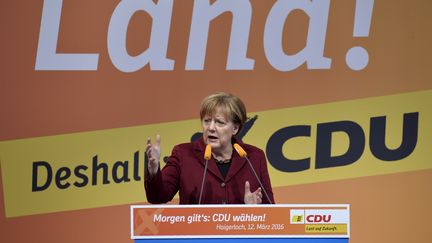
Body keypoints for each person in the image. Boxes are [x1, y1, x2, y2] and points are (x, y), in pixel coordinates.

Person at [145, 92, 274, 204]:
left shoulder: (254, 157)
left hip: (241, 231)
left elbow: (272, 211)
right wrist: (154, 171)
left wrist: (255, 210)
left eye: (219, 122)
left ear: (235, 128)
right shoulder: (183, 154)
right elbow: (157, 197)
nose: (211, 128)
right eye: (207, 121)